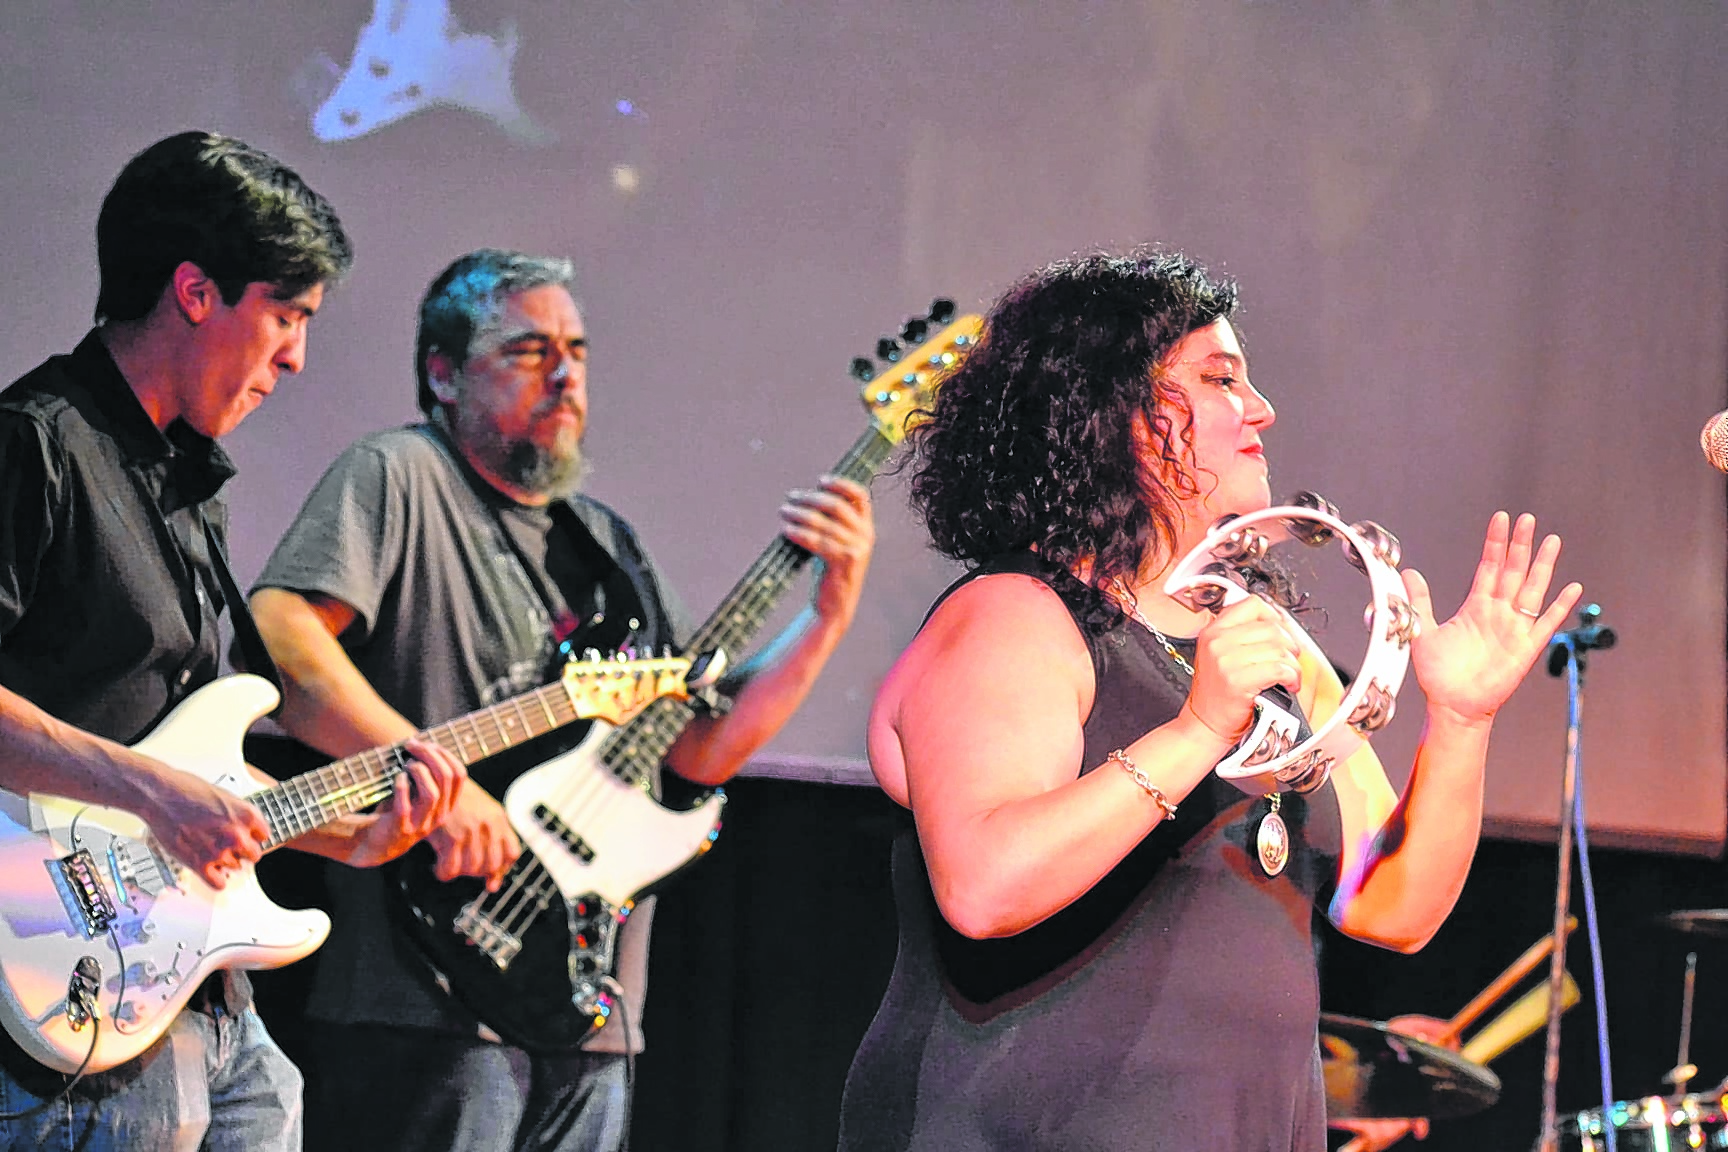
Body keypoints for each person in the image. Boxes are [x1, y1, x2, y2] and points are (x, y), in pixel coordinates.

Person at [836, 251, 1582, 1151]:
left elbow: (1394, 910)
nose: (1261, 408)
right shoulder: (1011, 615)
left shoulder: (1262, 642)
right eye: (1221, 379)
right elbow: (985, 887)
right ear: (1114, 410)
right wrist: (1197, 730)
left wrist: (1461, 722)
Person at [247, 247, 875, 1152]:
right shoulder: (400, 474)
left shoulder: (607, 544)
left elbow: (695, 750)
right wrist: (439, 784)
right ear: (443, 373)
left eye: (575, 350)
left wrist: (827, 615)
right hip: (422, 1000)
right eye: (528, 350)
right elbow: (282, 640)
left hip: (591, 1009)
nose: (566, 375)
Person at [0, 132, 465, 1152]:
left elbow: (192, 769)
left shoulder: (187, 484)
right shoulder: (33, 442)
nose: (295, 357)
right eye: (287, 315)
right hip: (61, 991)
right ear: (196, 292)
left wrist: (355, 839)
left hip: (201, 995)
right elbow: (160, 786)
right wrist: (151, 793)